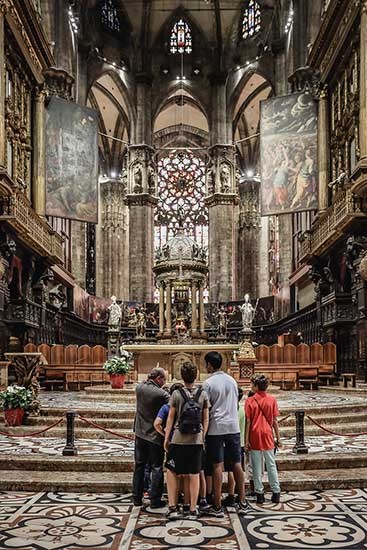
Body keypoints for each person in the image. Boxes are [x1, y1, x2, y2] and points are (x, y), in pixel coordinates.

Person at [203, 352, 249, 517]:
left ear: (209, 364)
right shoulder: (232, 380)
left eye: (206, 364)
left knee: (217, 465)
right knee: (236, 463)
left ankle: (216, 505)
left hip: (216, 428)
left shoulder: (208, 383)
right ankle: (242, 501)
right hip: (233, 426)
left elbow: (206, 408)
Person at [164, 361, 210, 520]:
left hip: (178, 438)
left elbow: (170, 417)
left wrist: (166, 437)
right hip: (196, 439)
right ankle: (192, 509)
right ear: (196, 375)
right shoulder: (203, 394)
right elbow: (206, 418)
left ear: (181, 376)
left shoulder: (176, 394)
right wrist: (203, 436)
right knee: (194, 473)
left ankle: (172, 507)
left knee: (172, 471)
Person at [132, 367, 169, 508]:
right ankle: (155, 500)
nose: (165, 382)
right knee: (156, 467)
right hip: (154, 435)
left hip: (140, 432)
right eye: (164, 379)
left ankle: (137, 497)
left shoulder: (139, 388)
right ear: (158, 378)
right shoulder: (162, 394)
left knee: (139, 466)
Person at [245, 374, 282, 504]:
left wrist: (246, 440)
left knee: (256, 465)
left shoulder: (250, 401)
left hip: (255, 434)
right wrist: (278, 438)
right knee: (271, 463)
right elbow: (275, 421)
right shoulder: (272, 400)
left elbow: (248, 422)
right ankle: (276, 492)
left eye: (252, 384)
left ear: (256, 386)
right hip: (267, 434)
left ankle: (259, 493)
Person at [223, 387, 245, 507]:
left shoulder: (231, 411)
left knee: (231, 469)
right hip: (241, 442)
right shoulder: (242, 410)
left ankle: (231, 494)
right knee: (239, 468)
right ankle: (241, 495)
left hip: (232, 441)